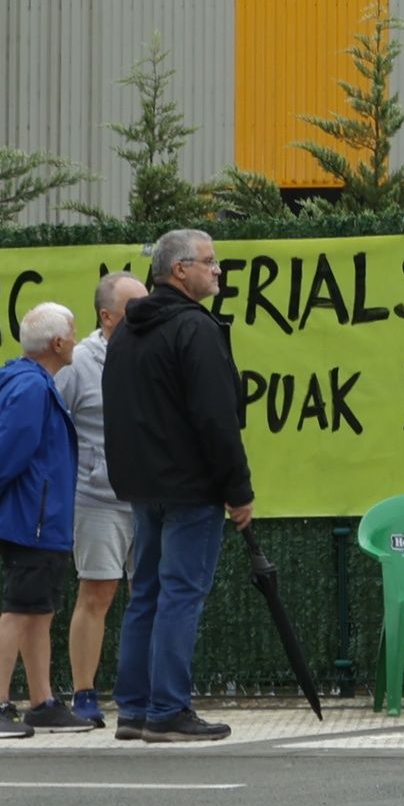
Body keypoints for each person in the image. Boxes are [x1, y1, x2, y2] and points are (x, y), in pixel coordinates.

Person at [102, 228, 253, 743]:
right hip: (191, 487)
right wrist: (238, 490)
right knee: (181, 594)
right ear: (179, 270)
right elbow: (217, 419)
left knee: (145, 592)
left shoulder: (124, 333)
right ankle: (168, 710)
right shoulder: (195, 330)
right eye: (209, 262)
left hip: (143, 487)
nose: (218, 270)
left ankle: (136, 709)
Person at [0, 302, 83, 738]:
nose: (75, 338)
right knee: (18, 610)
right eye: (71, 332)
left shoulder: (32, 384)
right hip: (31, 519)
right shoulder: (31, 388)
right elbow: (10, 450)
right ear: (57, 343)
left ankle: (42, 702)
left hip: (41, 519)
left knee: (39, 611)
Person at [52, 271, 142, 728]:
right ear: (106, 316)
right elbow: (53, 424)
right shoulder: (78, 364)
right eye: (134, 309)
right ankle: (84, 693)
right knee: (97, 593)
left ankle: (145, 690)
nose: (147, 315)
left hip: (151, 497)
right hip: (97, 500)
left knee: (149, 595)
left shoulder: (156, 351)